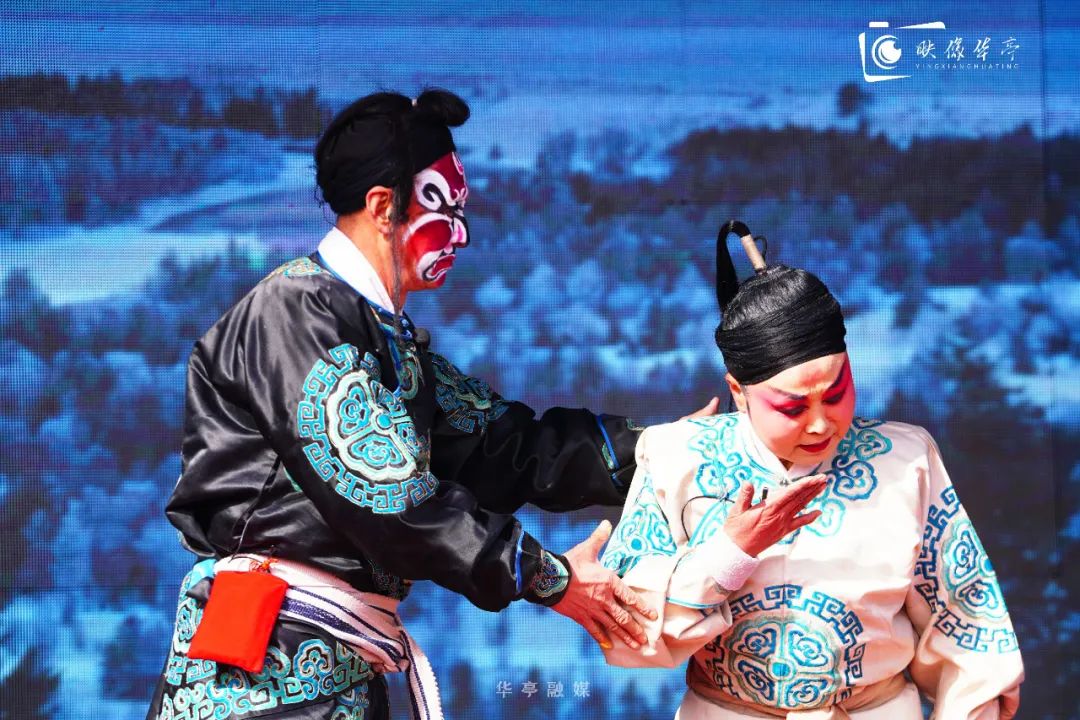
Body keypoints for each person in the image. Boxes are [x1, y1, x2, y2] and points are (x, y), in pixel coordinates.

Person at [147, 88, 705, 720]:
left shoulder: (380, 339)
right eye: (445, 209)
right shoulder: (293, 315)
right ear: (383, 207)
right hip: (262, 678)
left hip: (329, 669)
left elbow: (509, 448)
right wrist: (545, 575)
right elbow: (388, 498)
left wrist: (661, 450)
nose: (461, 235)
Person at [599, 222, 1023, 719]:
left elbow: (967, 622)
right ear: (738, 392)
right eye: (793, 407)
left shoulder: (904, 459)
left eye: (837, 394)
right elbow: (625, 627)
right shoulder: (678, 456)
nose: (821, 423)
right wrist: (728, 555)